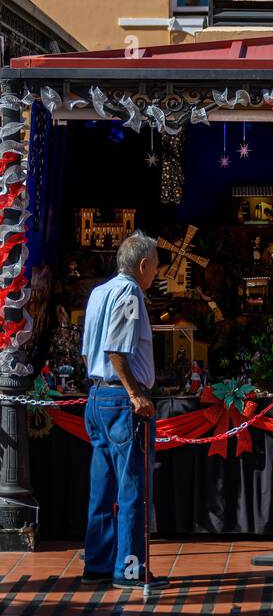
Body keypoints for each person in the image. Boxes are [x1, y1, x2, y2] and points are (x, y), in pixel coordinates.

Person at [81, 231, 164, 589]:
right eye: (156, 266)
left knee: (102, 488)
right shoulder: (130, 293)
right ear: (143, 264)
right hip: (120, 400)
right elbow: (117, 349)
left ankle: (97, 565)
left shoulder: (99, 293)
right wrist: (135, 394)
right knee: (132, 489)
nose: (157, 273)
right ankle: (130, 569)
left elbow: (88, 350)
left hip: (97, 397)